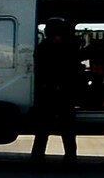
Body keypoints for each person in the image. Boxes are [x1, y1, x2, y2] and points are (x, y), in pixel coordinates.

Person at [33, 16, 83, 165]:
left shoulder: (44, 48)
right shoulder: (68, 47)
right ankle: (68, 159)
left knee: (46, 130)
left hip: (52, 94)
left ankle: (40, 159)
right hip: (58, 94)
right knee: (63, 130)